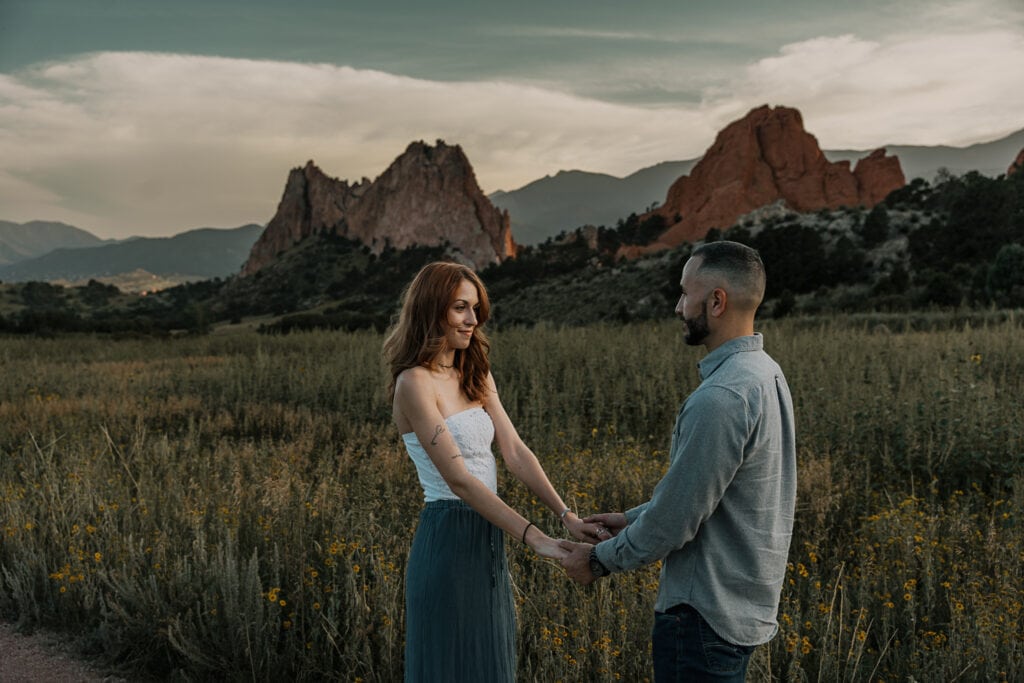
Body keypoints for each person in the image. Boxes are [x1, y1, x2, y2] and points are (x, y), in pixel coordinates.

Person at [560, 241, 797, 682]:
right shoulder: (766, 373)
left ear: (717, 301)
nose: (677, 306)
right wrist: (631, 518)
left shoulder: (722, 397)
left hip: (702, 616)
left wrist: (596, 562)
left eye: (686, 294)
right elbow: (711, 494)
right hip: (738, 612)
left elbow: (676, 520)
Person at [384, 261, 609, 683]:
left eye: (475, 308)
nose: (473, 320)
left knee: (490, 664)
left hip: (487, 540)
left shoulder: (474, 370)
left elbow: (515, 451)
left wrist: (566, 516)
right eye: (460, 308)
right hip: (447, 537)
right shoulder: (414, 383)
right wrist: (537, 539)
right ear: (432, 311)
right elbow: (460, 481)